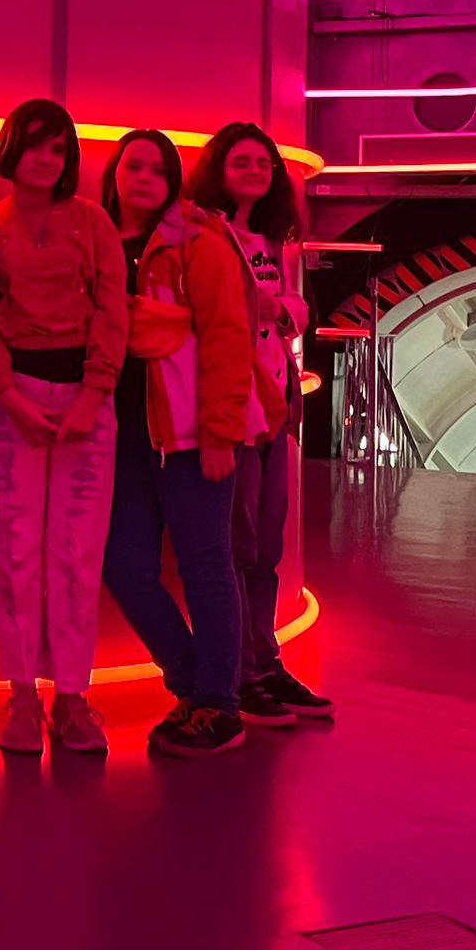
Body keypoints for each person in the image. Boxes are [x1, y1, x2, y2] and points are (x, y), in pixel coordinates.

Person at [0, 99, 127, 756]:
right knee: (15, 552)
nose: (45, 158)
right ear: (10, 148)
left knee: (76, 554)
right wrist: (6, 392)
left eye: (58, 148)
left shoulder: (93, 221)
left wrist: (94, 393)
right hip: (14, 403)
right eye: (34, 144)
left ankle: (73, 696)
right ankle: (22, 696)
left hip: (88, 404)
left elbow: (113, 310)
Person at [98, 130, 253, 757]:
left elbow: (227, 338)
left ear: (172, 182)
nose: (143, 178)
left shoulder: (197, 243)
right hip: (120, 439)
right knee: (124, 567)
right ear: (114, 172)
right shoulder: (97, 240)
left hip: (189, 436)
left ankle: (219, 703)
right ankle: (196, 685)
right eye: (133, 165)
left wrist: (220, 431)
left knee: (206, 567)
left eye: (157, 170)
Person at [185, 121, 333, 726]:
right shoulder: (204, 235)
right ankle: (242, 672)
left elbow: (298, 307)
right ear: (218, 168)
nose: (255, 172)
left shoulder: (275, 242)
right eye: (242, 162)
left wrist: (281, 309)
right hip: (234, 409)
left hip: (274, 403)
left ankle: (266, 661)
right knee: (239, 547)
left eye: (264, 164)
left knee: (266, 546)